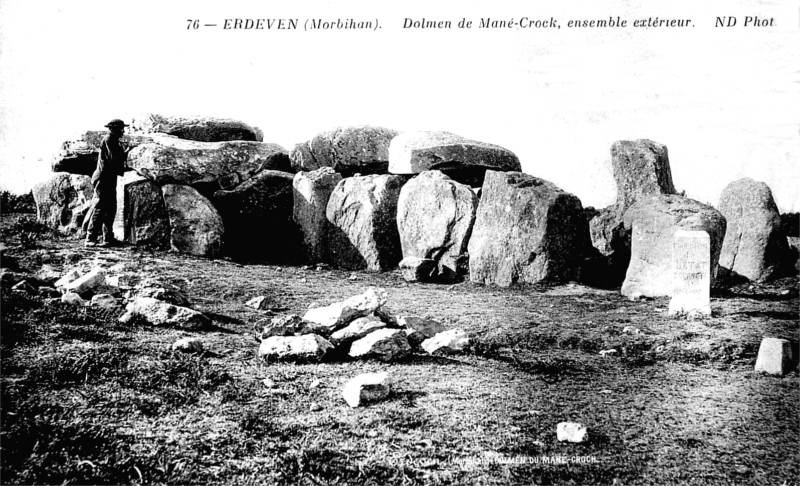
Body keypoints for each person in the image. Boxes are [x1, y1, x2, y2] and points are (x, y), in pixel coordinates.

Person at [85, 119, 132, 247]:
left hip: (109, 177)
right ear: (114, 129)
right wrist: (127, 151)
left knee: (111, 208)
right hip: (103, 178)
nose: (123, 131)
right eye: (121, 128)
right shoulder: (109, 140)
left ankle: (108, 238)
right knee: (100, 207)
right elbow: (115, 159)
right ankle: (90, 238)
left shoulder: (113, 140)